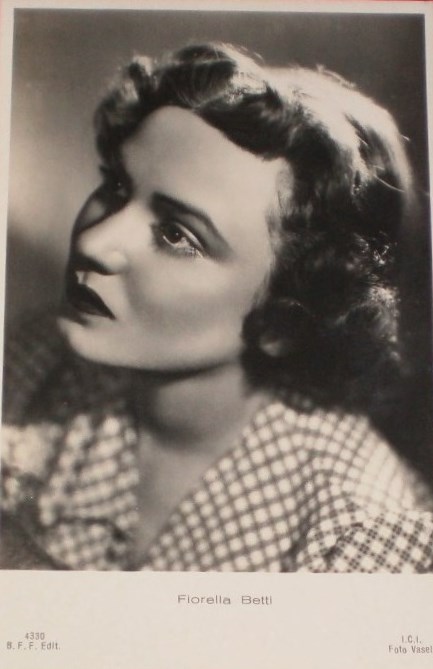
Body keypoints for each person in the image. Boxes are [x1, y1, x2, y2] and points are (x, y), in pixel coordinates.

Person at [1, 42, 432, 572]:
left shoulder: (353, 539)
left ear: (285, 319)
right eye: (116, 186)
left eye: (177, 234)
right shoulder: (35, 362)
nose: (94, 242)